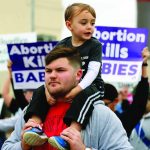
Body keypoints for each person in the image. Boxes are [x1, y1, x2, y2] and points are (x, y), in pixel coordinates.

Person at [2, 46, 133, 150]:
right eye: (48, 71)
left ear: (78, 74)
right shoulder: (31, 112)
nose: (52, 75)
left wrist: (83, 149)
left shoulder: (100, 114)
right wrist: (23, 146)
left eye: (60, 70)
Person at [23, 2, 104, 149]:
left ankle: (70, 134)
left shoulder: (95, 45)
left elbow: (93, 72)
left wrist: (77, 89)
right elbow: (50, 68)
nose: (89, 27)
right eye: (84, 22)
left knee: (85, 95)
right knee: (40, 89)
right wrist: (48, 91)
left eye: (92, 23)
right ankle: (35, 127)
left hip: (92, 87)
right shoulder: (62, 44)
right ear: (69, 25)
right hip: (70, 87)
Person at [103, 47, 150, 137]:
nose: (100, 109)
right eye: (97, 104)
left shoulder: (121, 122)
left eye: (105, 105)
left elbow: (140, 102)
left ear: (115, 101)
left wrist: (144, 64)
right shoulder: (88, 119)